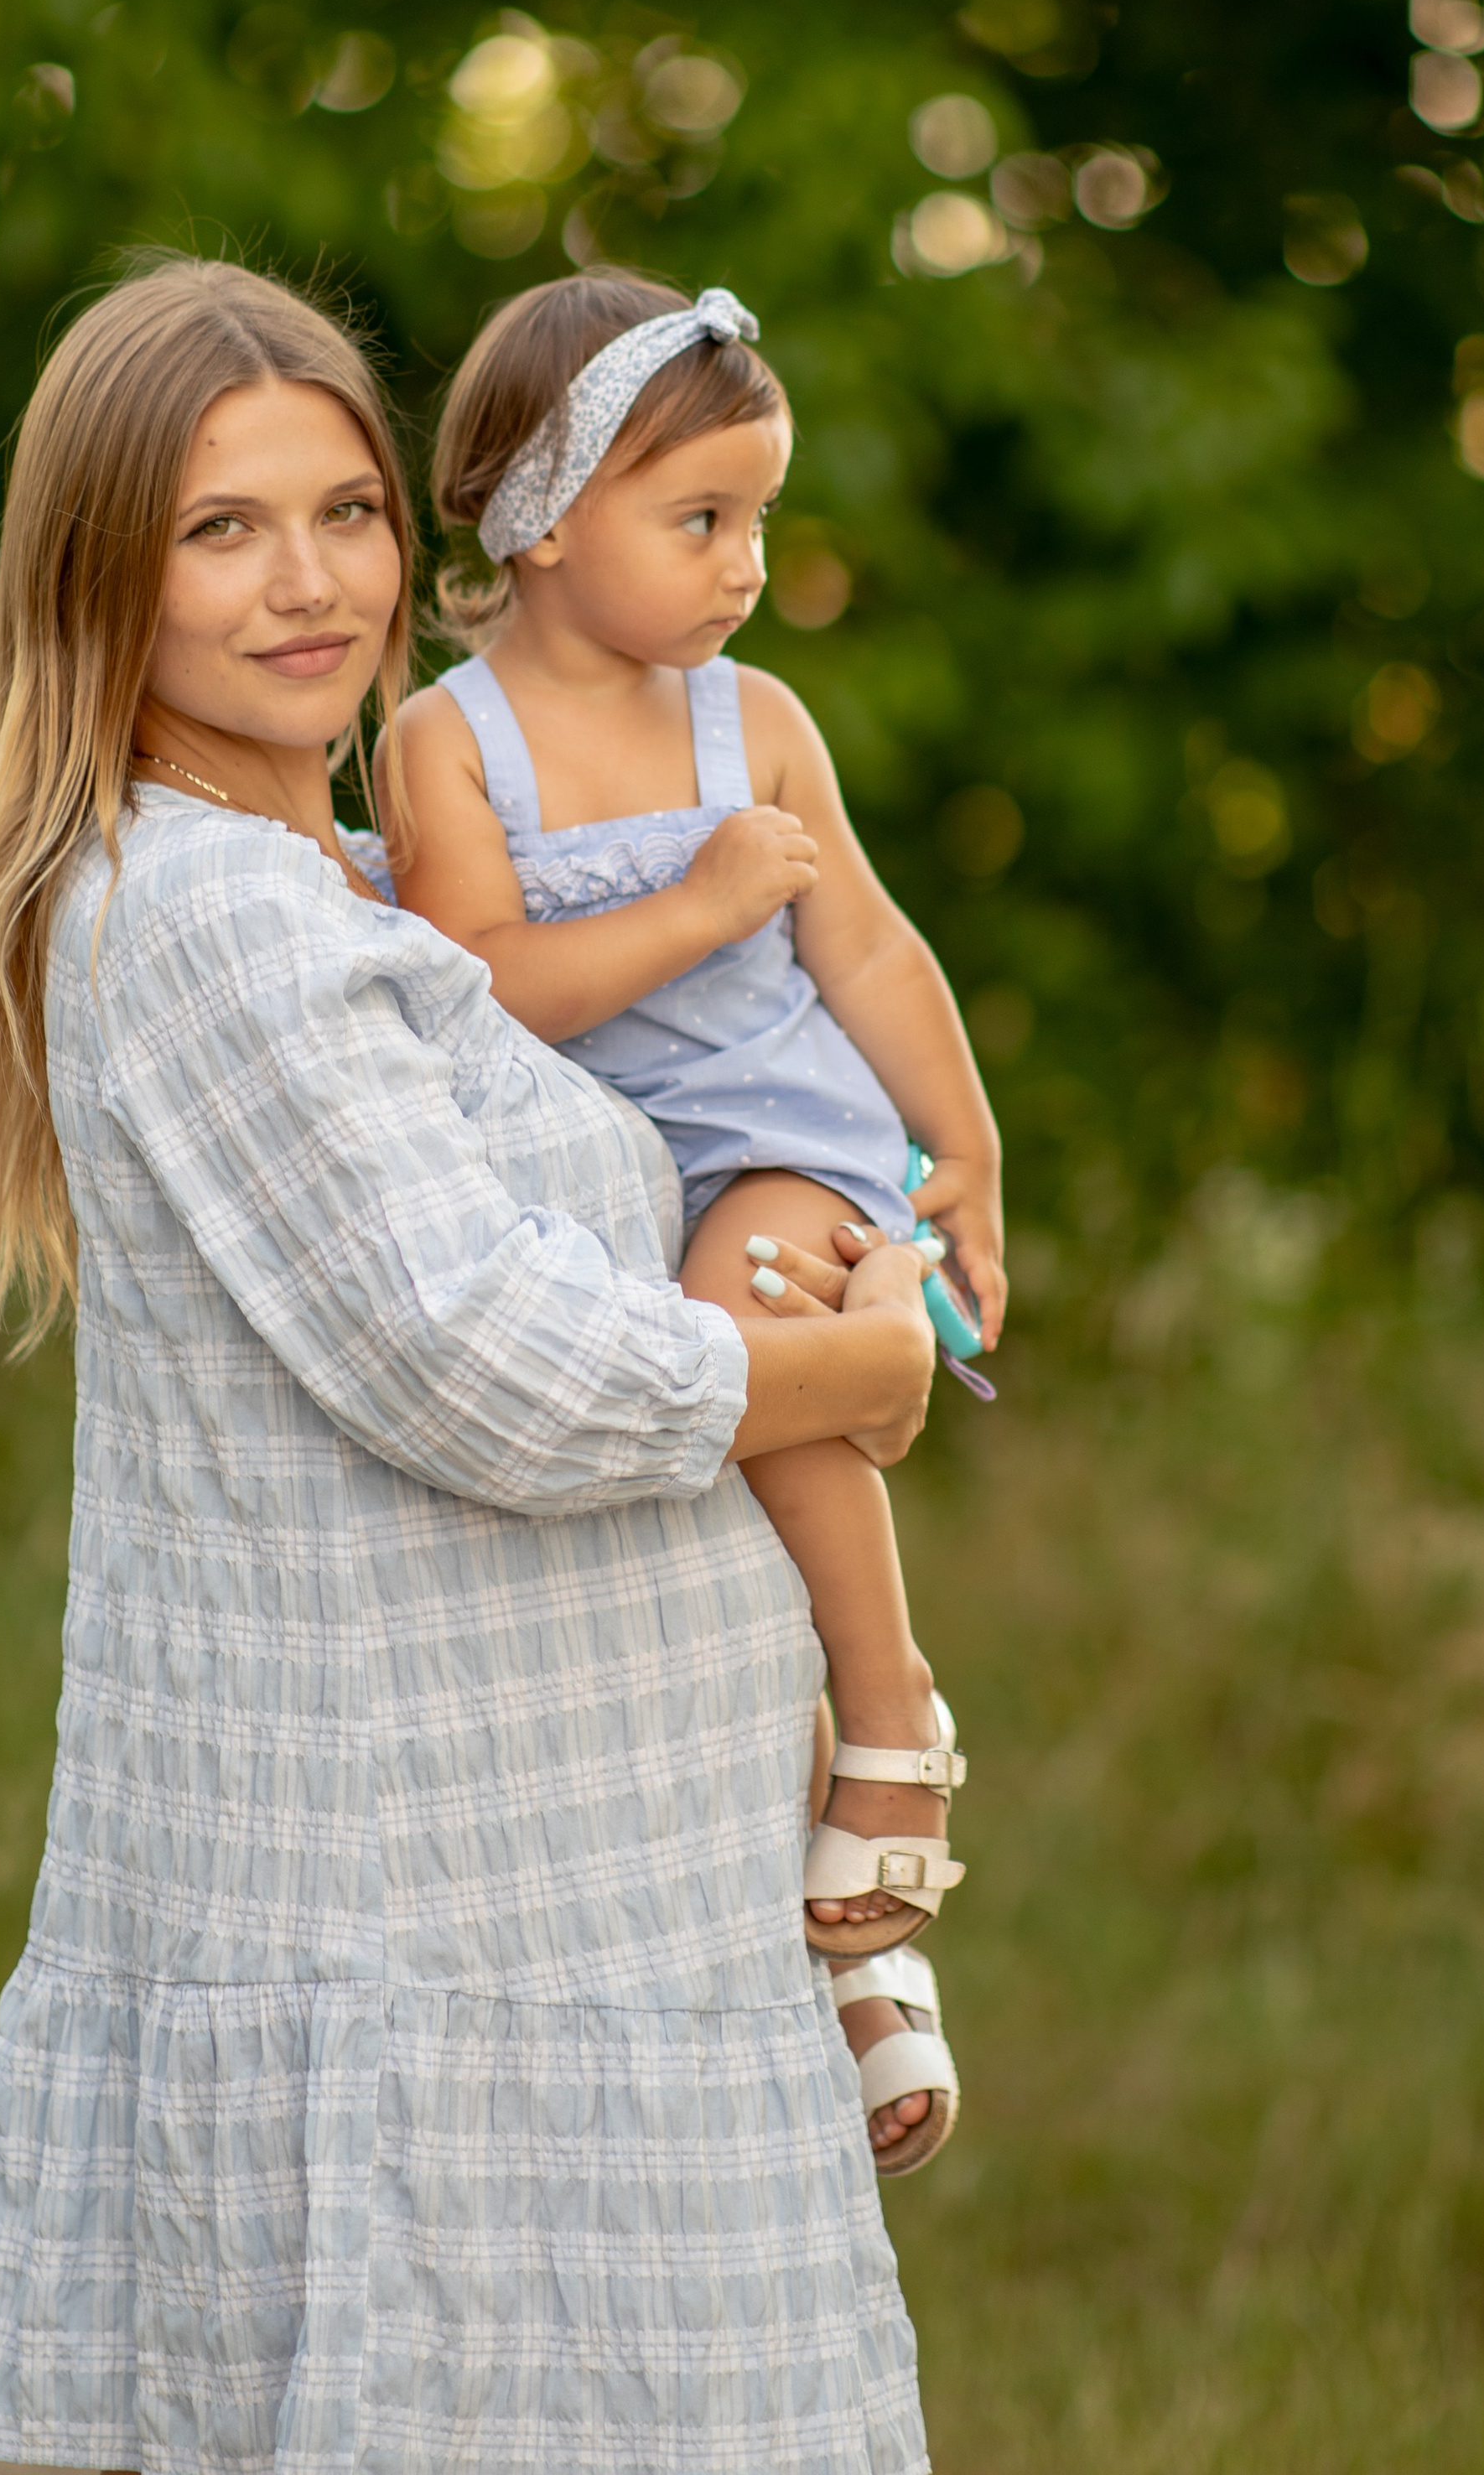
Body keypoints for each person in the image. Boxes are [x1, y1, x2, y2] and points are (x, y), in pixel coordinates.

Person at [0, 255, 942, 2475]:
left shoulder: (350, 885)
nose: (309, 587)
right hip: (441, 1955)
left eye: (347, 513)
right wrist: (846, 1380)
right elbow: (491, 1362)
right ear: (108, 576)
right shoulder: (212, 919)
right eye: (223, 529)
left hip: (575, 1939)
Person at [387, 268, 1007, 2176]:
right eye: (703, 519)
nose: (745, 564)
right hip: (590, 1194)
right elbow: (479, 976)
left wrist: (962, 1146)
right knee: (676, 1573)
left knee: (750, 1316)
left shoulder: (759, 725)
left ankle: (891, 1702)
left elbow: (869, 945)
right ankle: (844, 1967)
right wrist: (700, 900)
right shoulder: (444, 742)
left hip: (771, 1152)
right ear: (546, 521)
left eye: (757, 516)